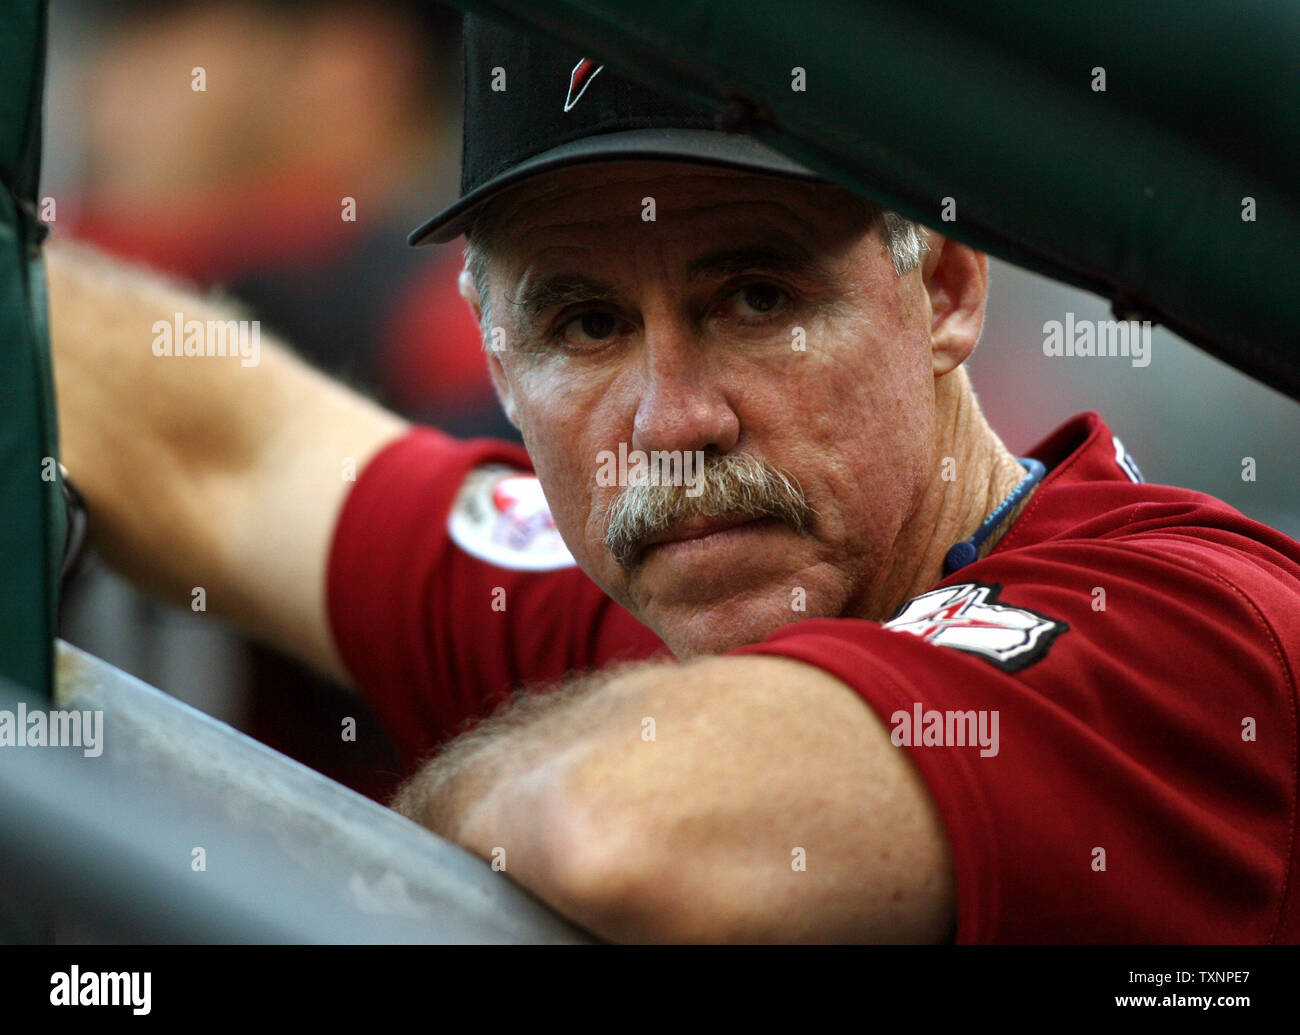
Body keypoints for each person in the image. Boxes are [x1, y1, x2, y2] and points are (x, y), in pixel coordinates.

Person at [47, 14, 1300, 944]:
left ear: (945, 287)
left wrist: (386, 820)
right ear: (496, 354)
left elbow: (620, 834)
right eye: (586, 325)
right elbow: (222, 451)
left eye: (755, 299)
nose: (671, 422)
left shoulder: (1194, 625)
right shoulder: (647, 575)